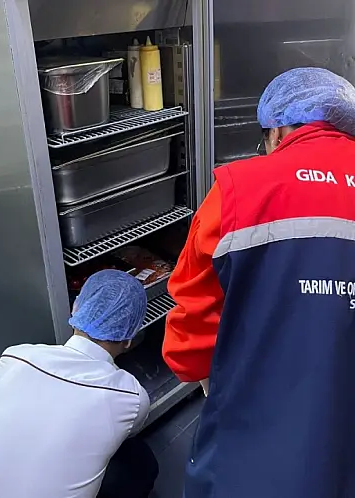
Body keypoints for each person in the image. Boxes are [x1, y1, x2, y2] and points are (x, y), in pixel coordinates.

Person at [163, 67, 355, 498]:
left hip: (260, 436)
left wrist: (206, 373)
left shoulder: (239, 190)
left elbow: (189, 339)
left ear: (278, 130)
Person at [0, 270, 157, 498]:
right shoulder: (132, 397)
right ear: (129, 340)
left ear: (75, 309)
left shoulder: (15, 357)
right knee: (141, 460)